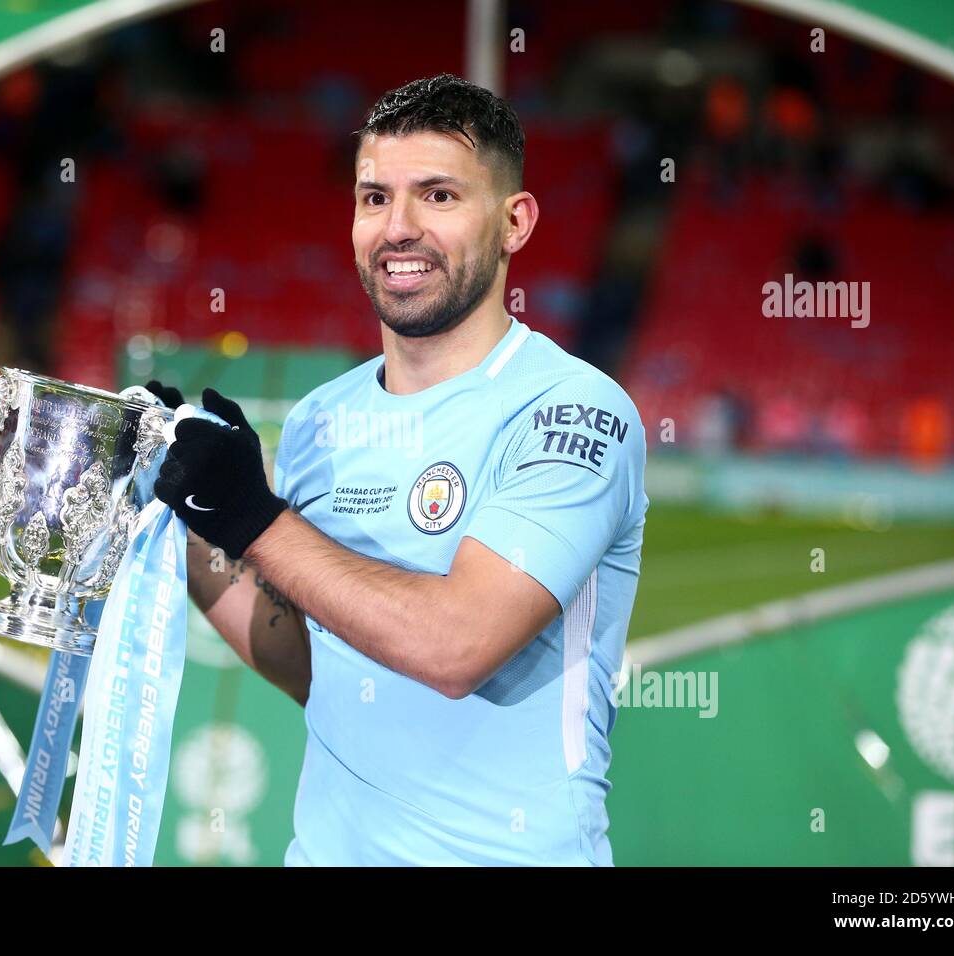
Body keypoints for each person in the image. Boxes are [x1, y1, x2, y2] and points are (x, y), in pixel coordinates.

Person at [151, 74, 648, 866]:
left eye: (439, 196)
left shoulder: (575, 412)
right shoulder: (321, 419)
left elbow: (458, 645)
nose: (399, 228)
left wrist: (254, 519)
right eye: (374, 198)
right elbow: (318, 661)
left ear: (515, 222)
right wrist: (181, 511)